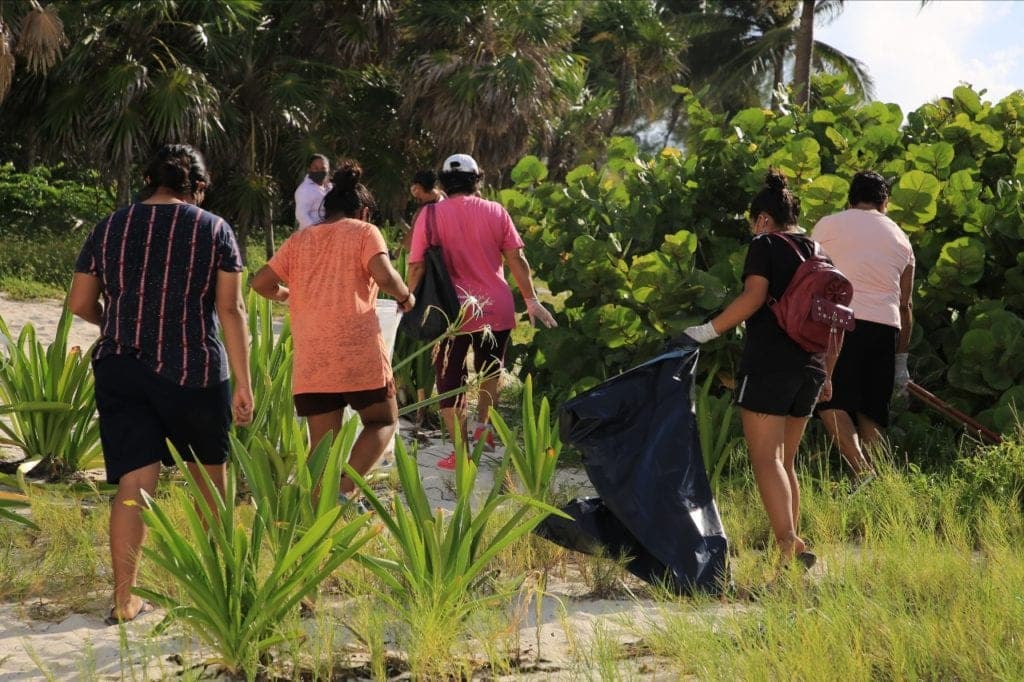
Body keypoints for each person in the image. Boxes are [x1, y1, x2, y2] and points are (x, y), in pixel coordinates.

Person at [68, 144, 253, 624]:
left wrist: (112, 321)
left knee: (134, 483)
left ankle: (124, 600)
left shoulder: (110, 225)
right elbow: (230, 309)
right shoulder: (213, 228)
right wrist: (244, 385)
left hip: (121, 366)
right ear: (198, 186)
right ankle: (222, 584)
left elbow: (79, 302)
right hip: (192, 366)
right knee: (210, 478)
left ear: (150, 181)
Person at [684, 171, 837, 567]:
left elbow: (753, 297)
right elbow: (838, 324)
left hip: (770, 364)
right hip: (812, 367)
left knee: (765, 458)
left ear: (763, 219)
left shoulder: (765, 244)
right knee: (785, 461)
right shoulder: (821, 253)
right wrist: (828, 373)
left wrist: (705, 332)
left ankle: (788, 542)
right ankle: (790, 547)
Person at [251, 160, 414, 501]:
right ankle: (345, 490)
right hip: (357, 349)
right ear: (364, 212)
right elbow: (384, 276)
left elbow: (261, 282)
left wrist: (287, 294)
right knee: (382, 421)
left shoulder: (300, 240)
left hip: (314, 356)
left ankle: (315, 514)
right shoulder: (364, 231)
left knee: (322, 447)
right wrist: (405, 296)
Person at [406, 153, 557, 470]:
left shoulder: (430, 216)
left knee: (450, 377)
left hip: (450, 312)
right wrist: (530, 299)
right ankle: (484, 432)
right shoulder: (496, 211)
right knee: (490, 370)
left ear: (443, 182)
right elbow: (517, 259)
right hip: (496, 307)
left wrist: (405, 300)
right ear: (478, 179)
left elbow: (418, 265)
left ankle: (461, 453)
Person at [812, 171, 915, 481]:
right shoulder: (901, 238)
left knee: (828, 399)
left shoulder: (828, 225)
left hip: (840, 323)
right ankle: (883, 486)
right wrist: (901, 363)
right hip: (886, 327)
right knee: (871, 410)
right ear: (885, 203)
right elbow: (906, 306)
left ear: (850, 200)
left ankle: (864, 474)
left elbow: (807, 277)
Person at [402, 169, 446, 252]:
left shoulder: (423, 211)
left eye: (416, 189)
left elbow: (411, 238)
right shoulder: (444, 197)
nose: (416, 194)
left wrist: (396, 254)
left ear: (420, 187)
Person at [294, 154, 332, 229]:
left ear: (328, 169)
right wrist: (316, 231)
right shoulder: (304, 190)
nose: (319, 171)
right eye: (316, 168)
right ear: (309, 169)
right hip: (312, 235)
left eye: (323, 168)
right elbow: (301, 215)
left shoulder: (330, 187)